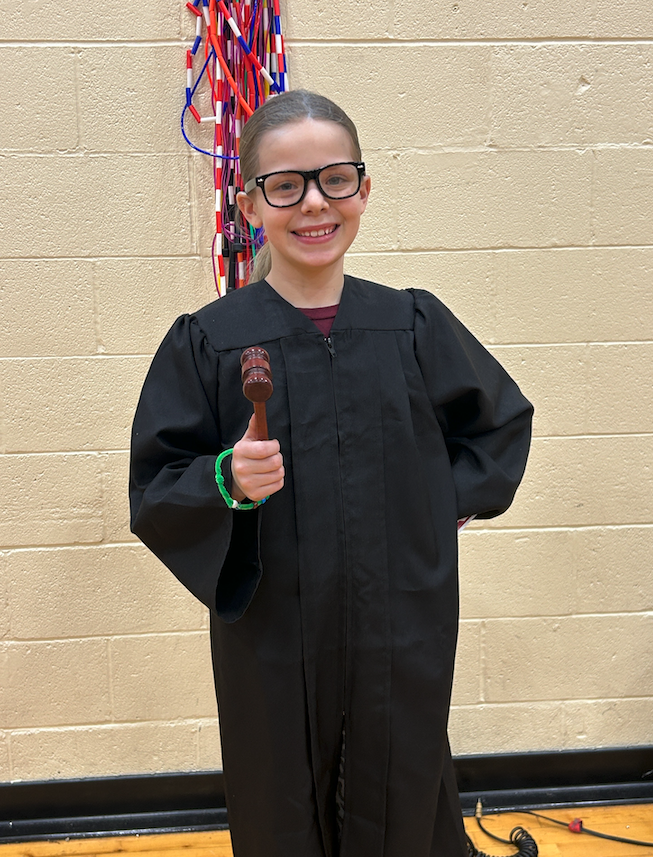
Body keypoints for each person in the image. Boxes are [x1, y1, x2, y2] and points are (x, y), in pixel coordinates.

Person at [129, 89, 533, 857]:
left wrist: (433, 504)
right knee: (279, 785)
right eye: (285, 185)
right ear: (252, 204)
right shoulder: (209, 342)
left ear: (363, 188)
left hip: (399, 621)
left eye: (334, 178)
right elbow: (156, 482)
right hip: (274, 631)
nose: (313, 203)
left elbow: (499, 424)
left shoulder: (411, 323)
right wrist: (225, 478)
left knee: (403, 778)